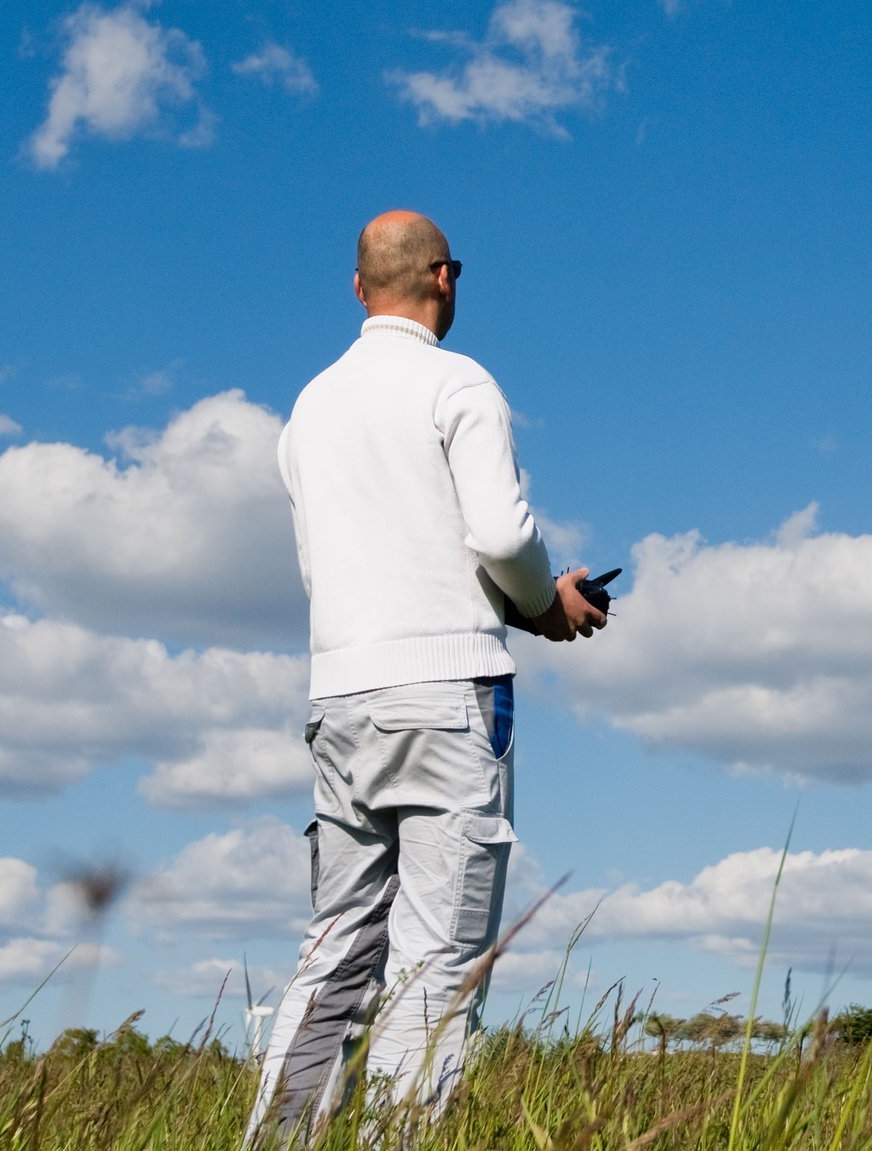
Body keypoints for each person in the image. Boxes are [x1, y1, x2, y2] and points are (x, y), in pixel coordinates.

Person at [247, 210, 605, 1142]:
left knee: (335, 950)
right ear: (447, 278)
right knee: (436, 961)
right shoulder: (459, 382)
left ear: (359, 290)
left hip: (340, 697)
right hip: (448, 696)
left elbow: (325, 563)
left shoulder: (310, 405)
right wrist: (543, 603)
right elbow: (498, 535)